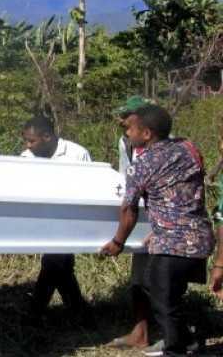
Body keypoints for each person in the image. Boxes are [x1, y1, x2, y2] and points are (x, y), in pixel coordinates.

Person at [101, 105, 214, 357]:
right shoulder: (189, 149)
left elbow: (128, 209)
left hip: (173, 243)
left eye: (130, 128)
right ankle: (189, 343)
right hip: (200, 238)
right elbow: (188, 191)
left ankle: (176, 350)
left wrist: (118, 242)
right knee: (170, 297)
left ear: (147, 134)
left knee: (164, 304)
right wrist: (161, 225)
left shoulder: (142, 164)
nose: (127, 133)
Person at [19, 116, 92, 318]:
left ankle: (36, 312)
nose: (28, 145)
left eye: (31, 140)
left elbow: (89, 187)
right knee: (61, 263)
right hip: (43, 218)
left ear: (47, 136)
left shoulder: (77, 154)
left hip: (71, 217)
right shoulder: (26, 157)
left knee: (55, 261)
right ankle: (77, 310)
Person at [108, 95, 155, 350]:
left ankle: (175, 338)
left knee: (158, 281)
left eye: (127, 117)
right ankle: (141, 333)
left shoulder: (162, 144)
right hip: (136, 214)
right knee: (139, 280)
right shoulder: (126, 142)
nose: (122, 121)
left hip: (161, 220)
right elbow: (126, 176)